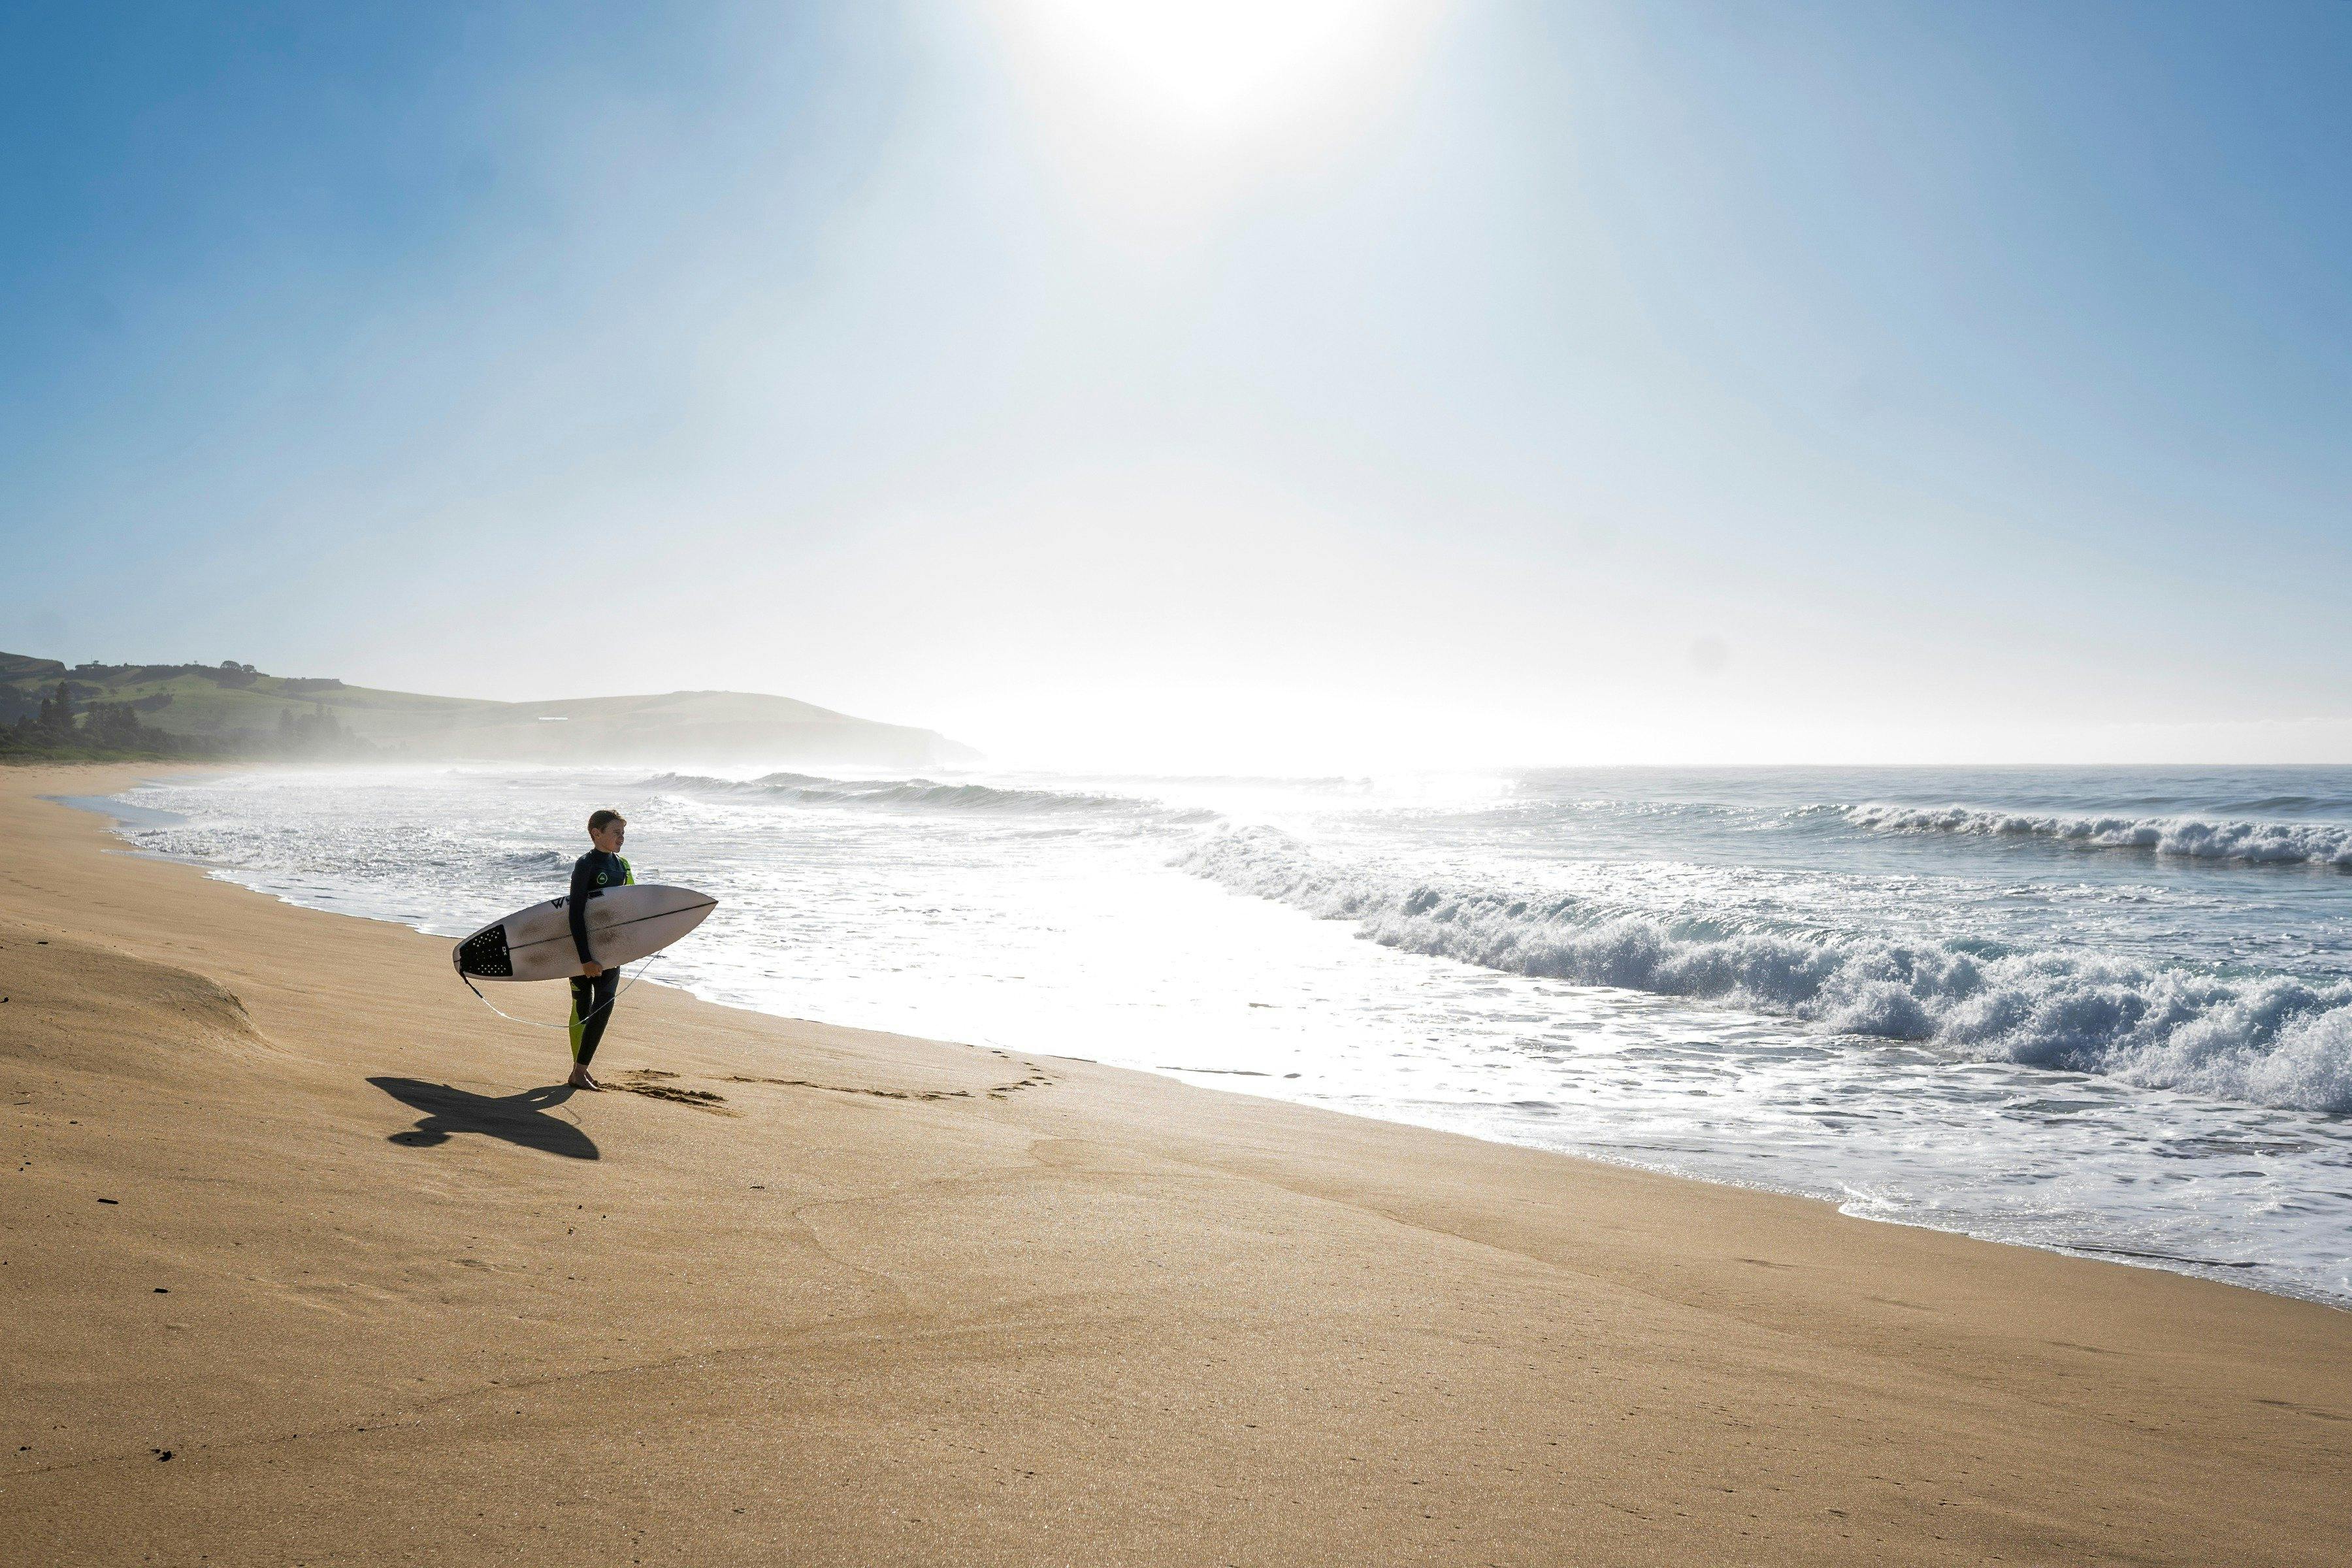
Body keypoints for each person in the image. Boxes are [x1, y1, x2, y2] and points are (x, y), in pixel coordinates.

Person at [565, 809, 634, 1089]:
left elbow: (630, 909)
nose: (622, 838)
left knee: (605, 1003)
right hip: (582, 949)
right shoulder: (586, 865)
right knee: (583, 1004)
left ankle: (580, 1069)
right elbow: (575, 913)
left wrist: (633, 946)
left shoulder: (623, 865)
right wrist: (585, 958)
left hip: (610, 950)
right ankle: (577, 1070)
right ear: (596, 833)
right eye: (616, 833)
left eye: (623, 833)